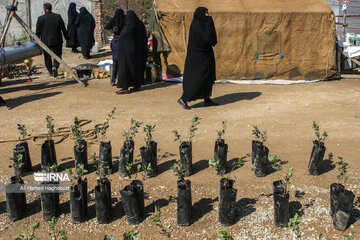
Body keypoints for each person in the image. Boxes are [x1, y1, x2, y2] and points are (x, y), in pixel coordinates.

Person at [177, 7, 218, 109]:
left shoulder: (202, 24)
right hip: (197, 59)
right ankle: (184, 99)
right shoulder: (197, 26)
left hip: (206, 56)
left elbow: (213, 41)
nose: (208, 15)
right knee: (197, 79)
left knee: (208, 77)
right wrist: (209, 22)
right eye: (206, 13)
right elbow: (208, 39)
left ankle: (207, 98)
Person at [115, 10, 147, 94]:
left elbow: (122, 38)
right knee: (136, 68)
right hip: (138, 51)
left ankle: (125, 87)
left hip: (127, 53)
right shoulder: (140, 24)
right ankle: (137, 85)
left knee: (125, 69)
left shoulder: (129, 27)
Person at [36, 3, 69, 77]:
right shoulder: (58, 17)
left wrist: (35, 42)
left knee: (47, 57)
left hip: (45, 42)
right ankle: (55, 67)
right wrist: (67, 38)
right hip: (57, 40)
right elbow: (63, 29)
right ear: (51, 8)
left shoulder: (40, 18)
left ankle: (50, 71)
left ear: (44, 9)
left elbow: (37, 32)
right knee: (57, 55)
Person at [105, 8, 126, 86]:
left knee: (115, 62)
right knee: (123, 62)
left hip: (115, 42)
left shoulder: (113, 20)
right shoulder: (125, 21)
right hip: (123, 41)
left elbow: (106, 27)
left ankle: (113, 80)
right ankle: (122, 80)